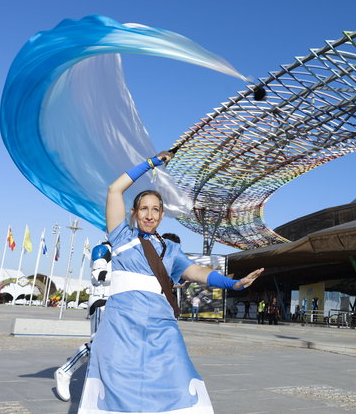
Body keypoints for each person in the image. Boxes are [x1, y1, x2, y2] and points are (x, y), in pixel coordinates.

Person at [78, 151, 264, 413]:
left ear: (162, 215)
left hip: (161, 325)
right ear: (134, 212)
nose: (150, 215)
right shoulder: (121, 236)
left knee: (176, 376)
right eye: (144, 208)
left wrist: (232, 284)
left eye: (156, 210)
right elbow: (114, 189)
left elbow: (197, 271)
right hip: (122, 322)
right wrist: (151, 163)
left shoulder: (172, 250)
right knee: (118, 381)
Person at [55, 241, 112, 402]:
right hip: (102, 302)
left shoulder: (122, 251)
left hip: (115, 304)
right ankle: (65, 371)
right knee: (97, 343)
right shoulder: (102, 249)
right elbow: (98, 275)